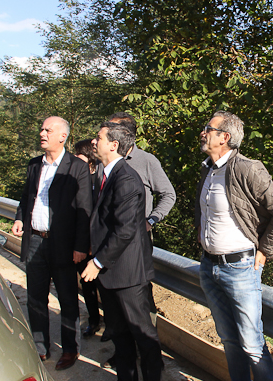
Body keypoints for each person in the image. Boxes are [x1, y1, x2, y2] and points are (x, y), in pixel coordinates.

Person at [196, 111, 273, 381]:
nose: (203, 133)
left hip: (240, 268)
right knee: (229, 340)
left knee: (251, 345)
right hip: (209, 266)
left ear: (225, 137)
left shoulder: (247, 168)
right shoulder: (207, 168)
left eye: (208, 128)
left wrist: (264, 251)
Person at [81, 121, 163, 381]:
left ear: (113, 145)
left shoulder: (126, 178)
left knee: (143, 336)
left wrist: (97, 262)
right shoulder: (106, 175)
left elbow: (125, 230)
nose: (94, 141)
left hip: (127, 274)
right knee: (120, 335)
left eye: (99, 137)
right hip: (111, 273)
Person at [12, 116, 92, 370]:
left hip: (64, 244)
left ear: (62, 137)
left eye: (48, 130)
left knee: (67, 299)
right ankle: (40, 347)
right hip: (35, 240)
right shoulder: (34, 164)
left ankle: (70, 349)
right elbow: (26, 197)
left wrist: (80, 246)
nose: (42, 133)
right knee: (35, 298)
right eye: (42, 129)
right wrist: (19, 218)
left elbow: (84, 209)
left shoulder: (76, 167)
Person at [108, 112, 176, 233]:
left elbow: (169, 195)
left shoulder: (146, 160)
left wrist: (151, 220)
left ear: (124, 134)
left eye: (110, 131)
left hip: (136, 236)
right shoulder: (101, 161)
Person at [73, 139, 103, 338]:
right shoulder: (74, 179)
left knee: (104, 287)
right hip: (80, 243)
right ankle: (94, 320)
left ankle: (111, 324)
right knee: (87, 285)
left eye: (79, 156)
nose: (75, 160)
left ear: (90, 162)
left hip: (97, 244)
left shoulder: (99, 180)